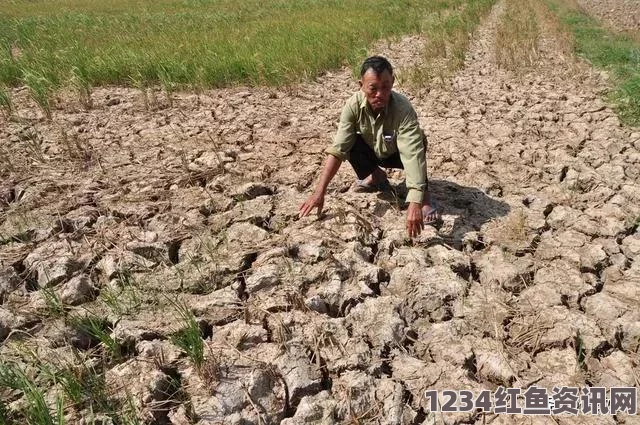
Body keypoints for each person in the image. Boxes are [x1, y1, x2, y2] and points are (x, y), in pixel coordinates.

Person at [299, 55, 437, 238]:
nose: (379, 94)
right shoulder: (353, 105)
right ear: (361, 85)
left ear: (393, 82)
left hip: (398, 154)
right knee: (350, 143)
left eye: (385, 87)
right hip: (374, 151)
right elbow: (338, 149)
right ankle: (376, 175)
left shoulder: (403, 109)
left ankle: (425, 195)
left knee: (419, 143)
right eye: (373, 88)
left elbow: (413, 155)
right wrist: (319, 192)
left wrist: (415, 202)